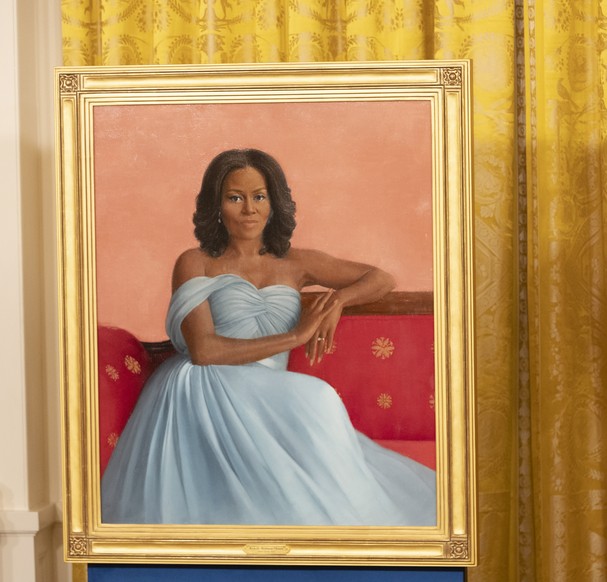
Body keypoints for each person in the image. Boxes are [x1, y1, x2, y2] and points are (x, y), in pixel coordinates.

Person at [101, 148, 436, 526]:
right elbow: (204, 350)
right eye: (235, 197)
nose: (249, 209)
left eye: (259, 196)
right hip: (203, 385)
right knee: (317, 398)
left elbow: (381, 279)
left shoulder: (295, 262)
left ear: (274, 203)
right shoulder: (195, 262)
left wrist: (339, 298)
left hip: (266, 386)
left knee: (314, 405)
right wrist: (297, 335)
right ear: (216, 205)